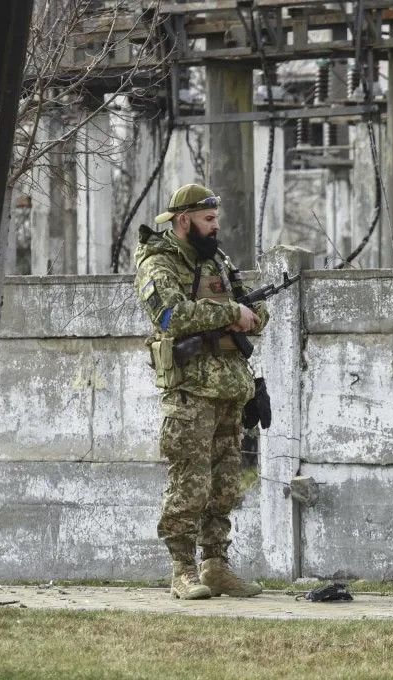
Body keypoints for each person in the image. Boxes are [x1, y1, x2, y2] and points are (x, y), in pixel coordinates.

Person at [134, 184, 268, 600]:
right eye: (208, 220)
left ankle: (216, 565)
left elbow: (258, 312)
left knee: (225, 483)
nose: (216, 226)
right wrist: (231, 313)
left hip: (230, 388)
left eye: (216, 219)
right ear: (183, 221)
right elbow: (170, 314)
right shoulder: (158, 263)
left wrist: (245, 317)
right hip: (191, 392)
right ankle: (182, 570)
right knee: (188, 483)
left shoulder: (219, 261)